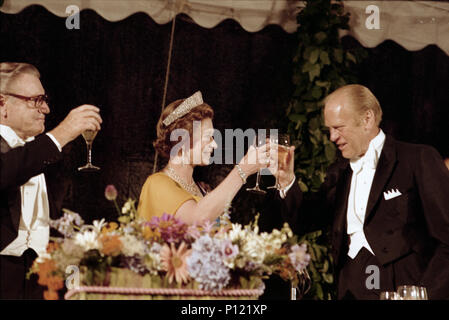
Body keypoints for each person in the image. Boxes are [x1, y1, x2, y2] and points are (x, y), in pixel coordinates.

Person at [276, 84, 449, 299]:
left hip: (401, 287)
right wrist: (286, 181)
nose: (332, 137)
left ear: (367, 119)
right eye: (329, 129)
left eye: (338, 127)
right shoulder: (339, 171)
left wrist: (424, 294)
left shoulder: (417, 159)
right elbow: (303, 221)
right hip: (350, 286)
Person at [0, 62, 103, 299]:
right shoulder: (39, 150)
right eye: (36, 100)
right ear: (2, 103)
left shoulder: (39, 155)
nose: (45, 109)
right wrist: (61, 134)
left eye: (45, 100)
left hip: (39, 277)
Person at [137, 91, 271, 225]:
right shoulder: (156, 184)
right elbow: (198, 218)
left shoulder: (202, 190)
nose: (214, 143)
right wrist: (243, 170)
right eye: (208, 137)